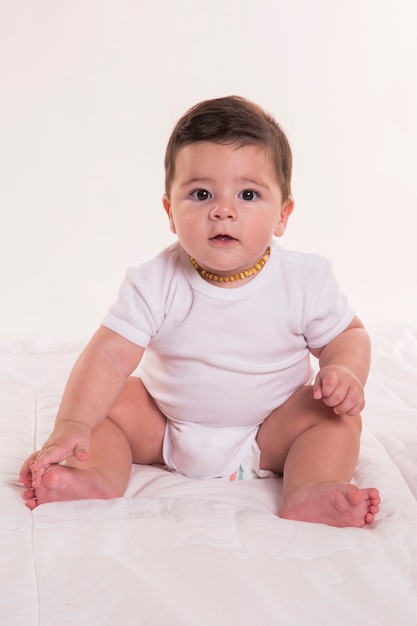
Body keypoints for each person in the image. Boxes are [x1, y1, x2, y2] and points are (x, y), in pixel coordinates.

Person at [19, 95, 380, 527]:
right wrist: (73, 423)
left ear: (282, 215)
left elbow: (349, 335)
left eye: (248, 194)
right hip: (166, 427)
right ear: (171, 212)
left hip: (272, 431)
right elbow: (108, 355)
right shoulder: (154, 281)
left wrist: (346, 372)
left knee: (335, 418)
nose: (222, 210)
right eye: (201, 193)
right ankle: (95, 477)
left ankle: (312, 488)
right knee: (112, 400)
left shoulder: (305, 279)